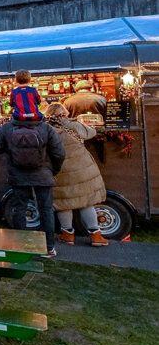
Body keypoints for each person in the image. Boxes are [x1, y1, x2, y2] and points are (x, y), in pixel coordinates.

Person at [0, 108, 65, 256]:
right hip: (43, 175)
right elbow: (59, 153)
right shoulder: (46, 128)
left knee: (19, 208)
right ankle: (49, 247)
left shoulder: (7, 127)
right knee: (46, 210)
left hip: (18, 175)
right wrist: (53, 170)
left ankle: (21, 246)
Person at [45, 103, 109, 246]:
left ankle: (67, 234)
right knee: (86, 202)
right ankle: (96, 235)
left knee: (64, 203)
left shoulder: (46, 128)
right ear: (64, 113)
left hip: (60, 170)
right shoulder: (71, 125)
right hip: (82, 169)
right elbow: (91, 132)